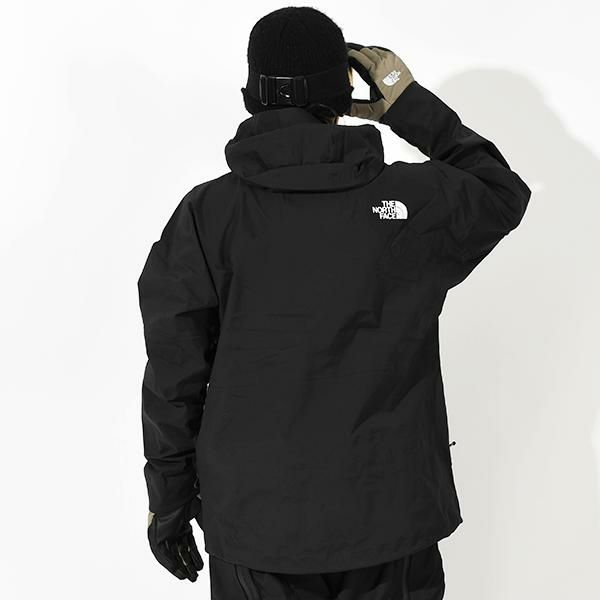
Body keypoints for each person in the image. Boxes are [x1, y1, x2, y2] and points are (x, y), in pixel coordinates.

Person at [138, 6, 531, 599]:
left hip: (258, 528)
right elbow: (500, 190)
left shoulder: (206, 215)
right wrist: (405, 102)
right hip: (390, 520)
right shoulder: (409, 199)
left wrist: (168, 503)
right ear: (344, 95)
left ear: (251, 95)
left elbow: (174, 374)